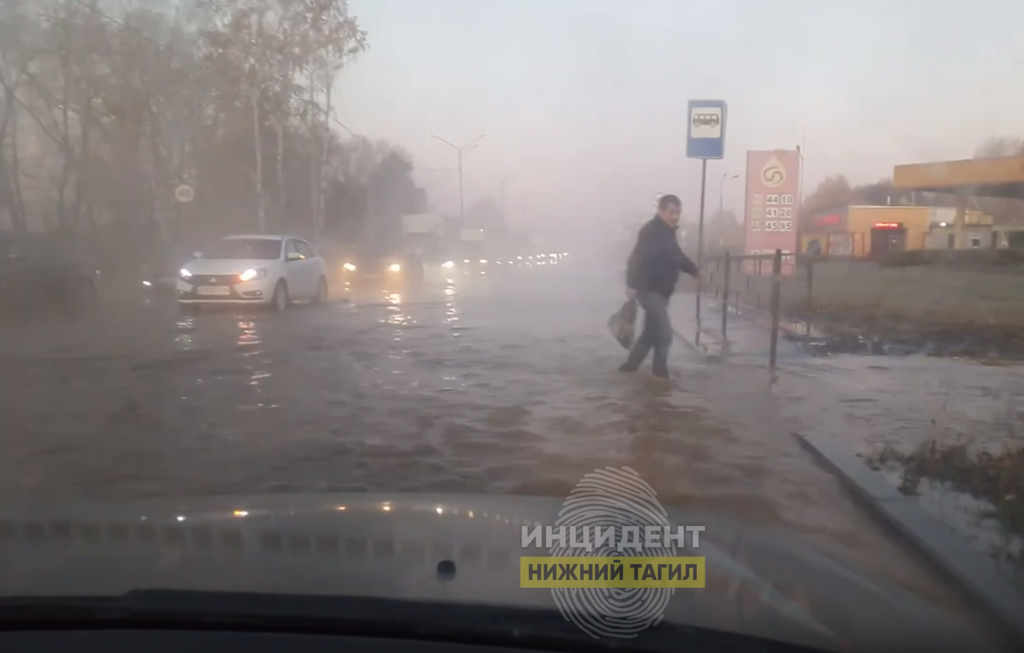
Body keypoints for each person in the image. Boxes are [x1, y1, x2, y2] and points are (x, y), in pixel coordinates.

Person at [619, 194, 702, 379]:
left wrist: (694, 271)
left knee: (650, 333)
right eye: (672, 212)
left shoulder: (666, 231)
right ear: (661, 210)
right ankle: (660, 375)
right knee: (664, 333)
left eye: (678, 213)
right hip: (649, 289)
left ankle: (628, 370)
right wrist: (631, 284)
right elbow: (636, 258)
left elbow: (674, 254)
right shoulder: (653, 231)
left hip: (660, 290)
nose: (675, 216)